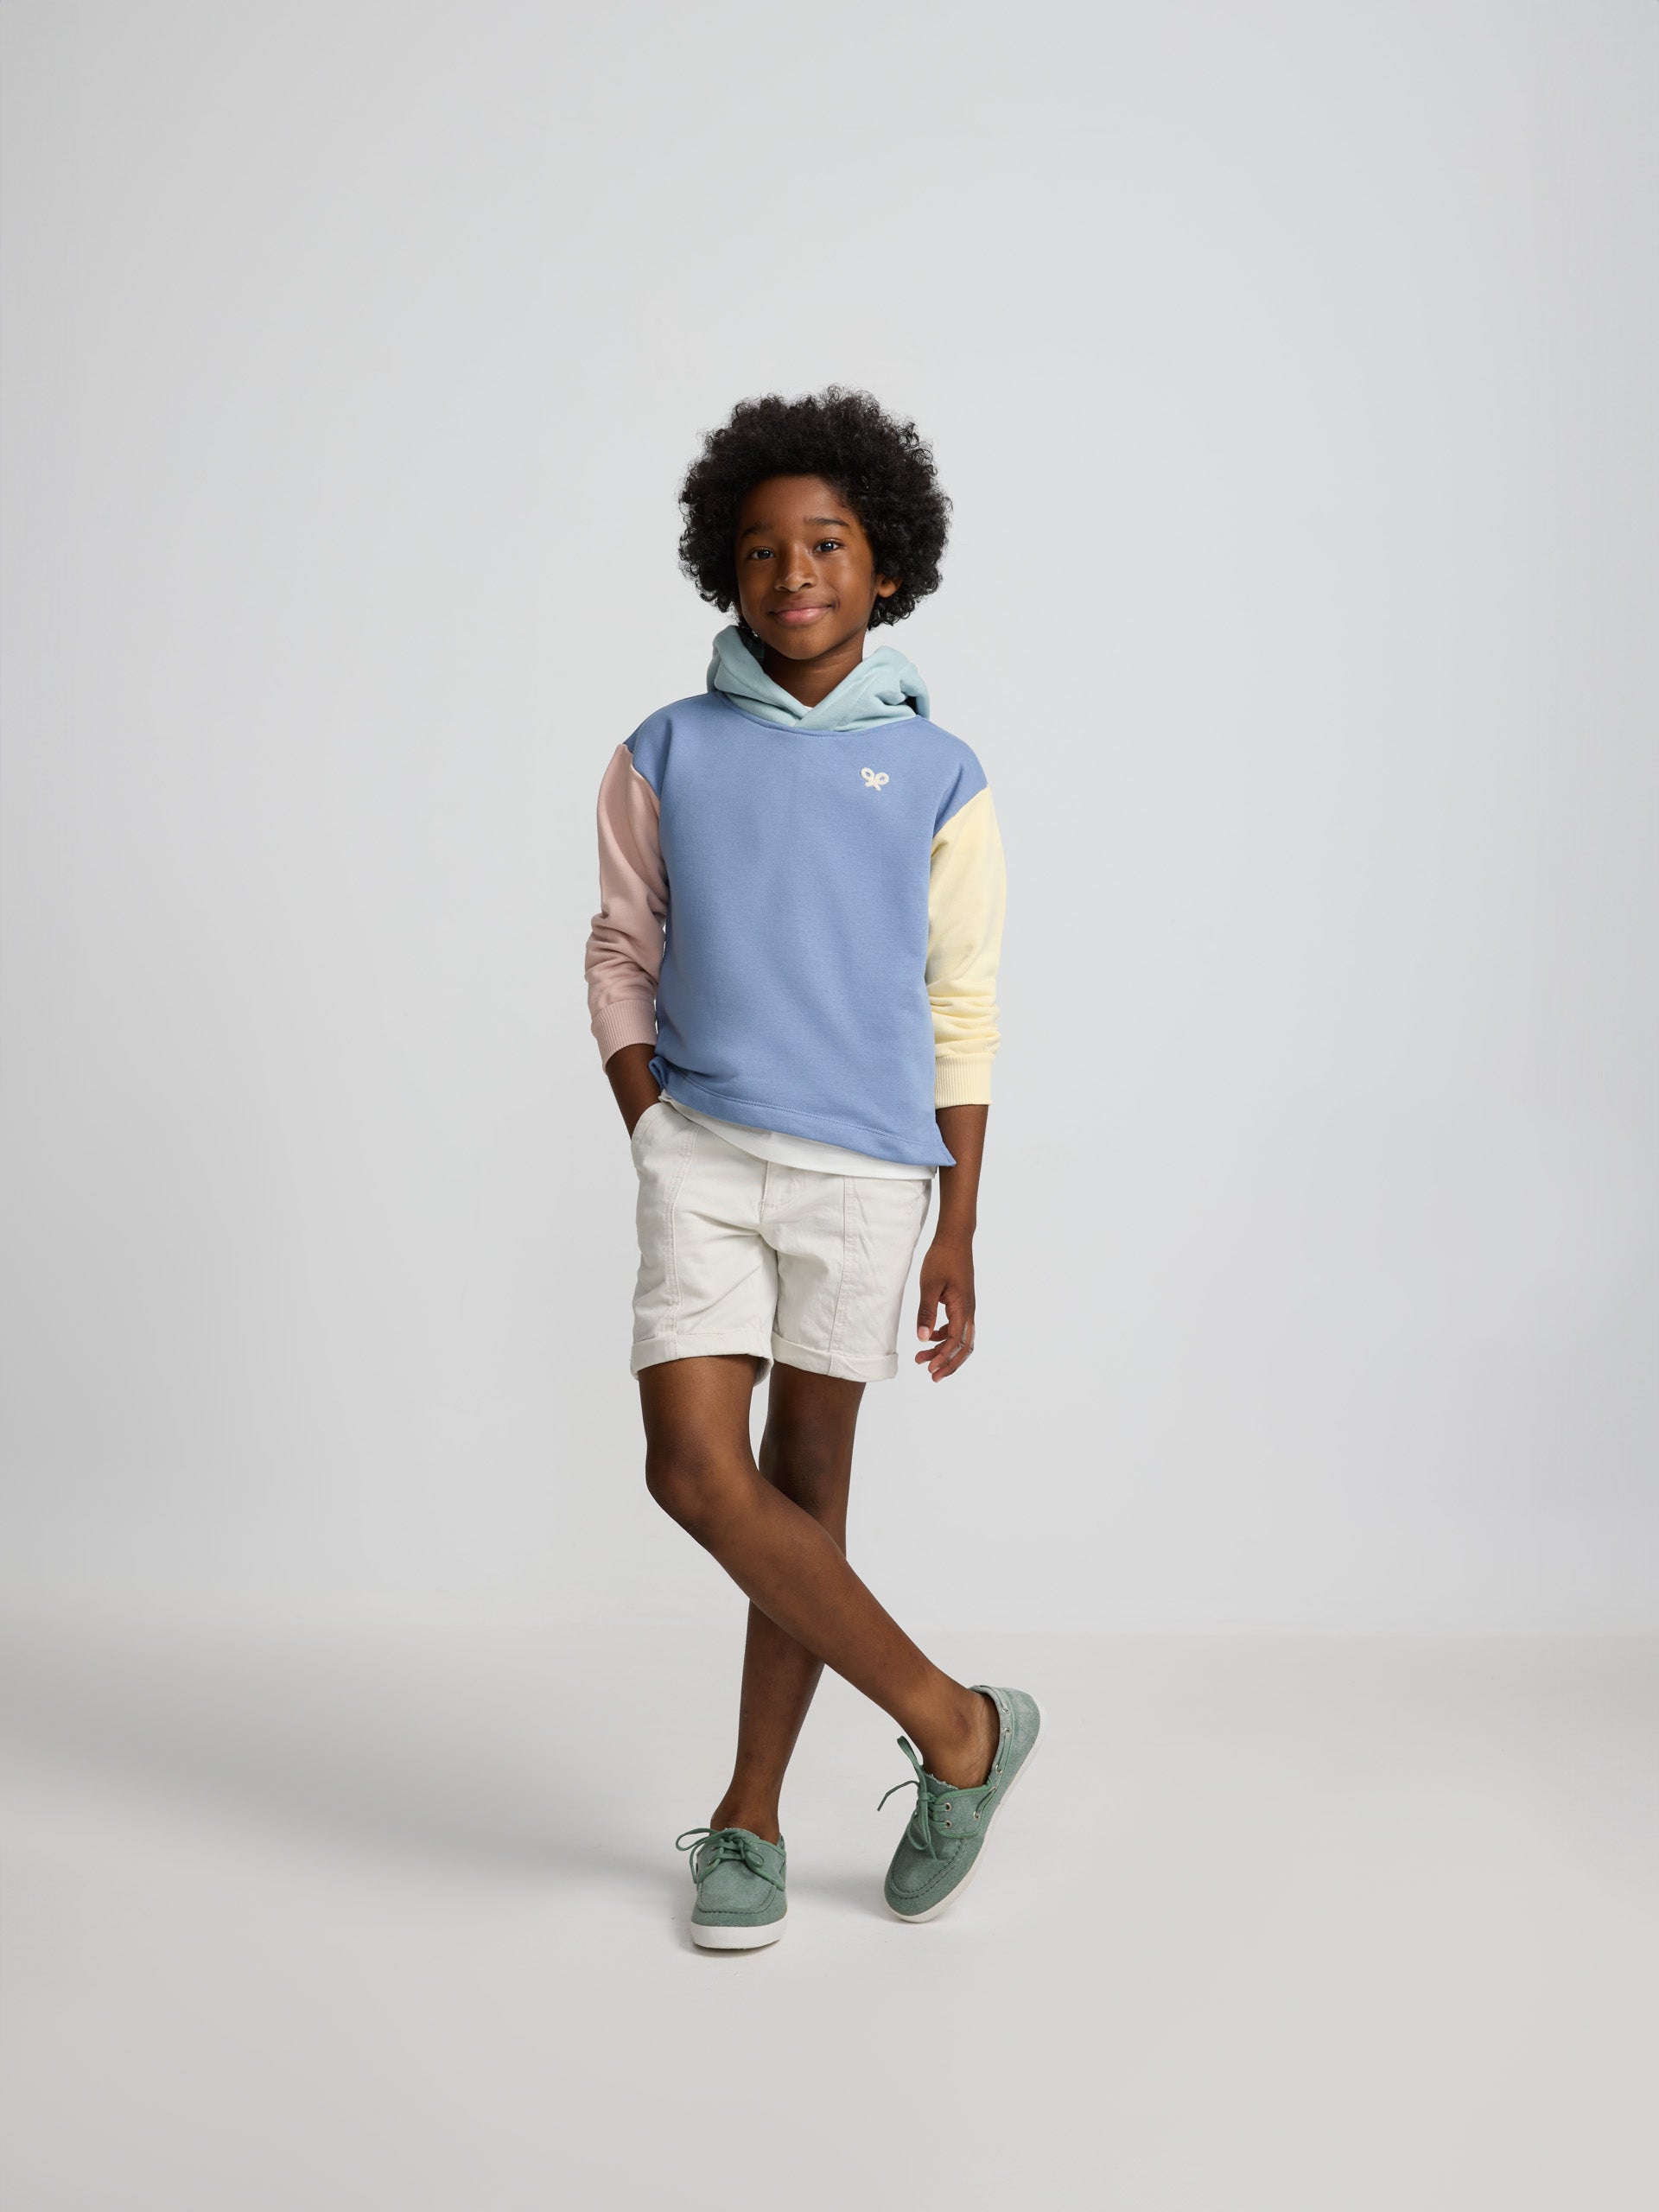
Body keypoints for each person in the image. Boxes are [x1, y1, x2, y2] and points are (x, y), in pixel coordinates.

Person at [583, 387, 1040, 1949]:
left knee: (806, 1492)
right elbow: (620, 949)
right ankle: (959, 1725)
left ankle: (751, 1822)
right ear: (727, 571)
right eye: (764, 549)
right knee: (694, 1472)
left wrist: (958, 1225)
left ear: (886, 567)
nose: (795, 573)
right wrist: (651, 1118)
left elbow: (964, 1008)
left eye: (829, 544)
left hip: (866, 1176)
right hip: (704, 1151)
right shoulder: (665, 748)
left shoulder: (942, 773)